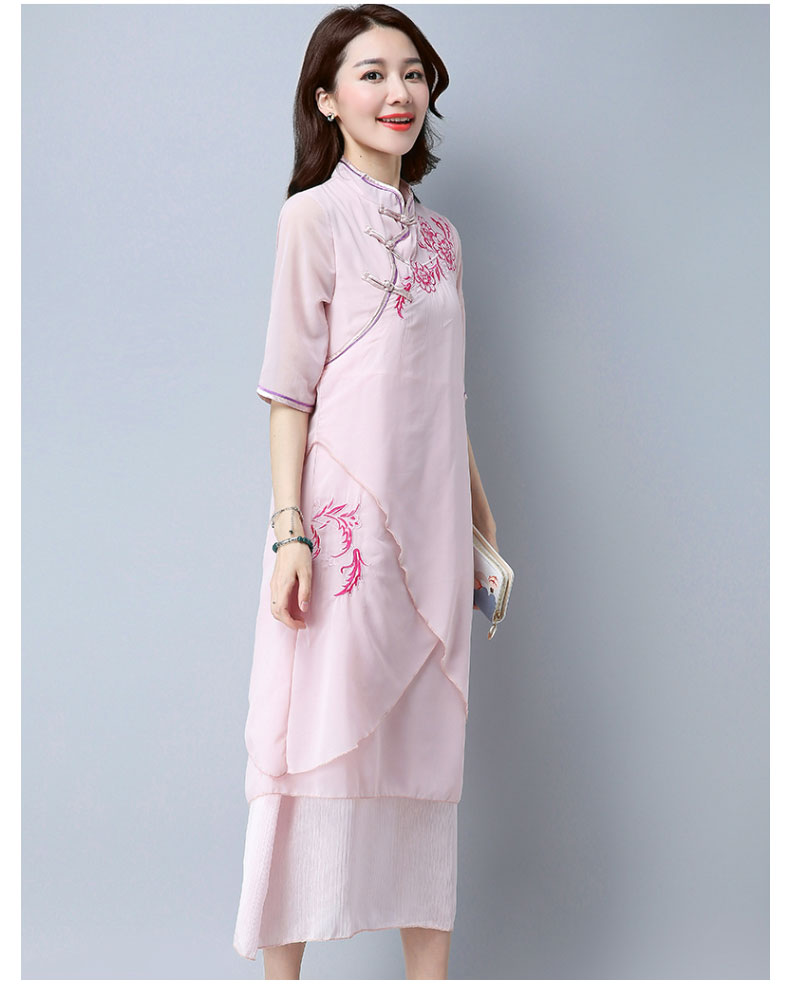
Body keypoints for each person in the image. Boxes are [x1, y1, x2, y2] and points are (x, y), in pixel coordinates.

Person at [232, 4, 498, 979]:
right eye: (373, 74)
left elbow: (445, 395)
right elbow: (288, 391)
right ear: (326, 99)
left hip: (434, 529)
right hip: (343, 528)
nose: (398, 92)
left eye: (413, 73)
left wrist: (482, 527)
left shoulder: (445, 239)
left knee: (426, 755)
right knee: (314, 738)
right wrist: (290, 531)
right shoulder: (311, 216)